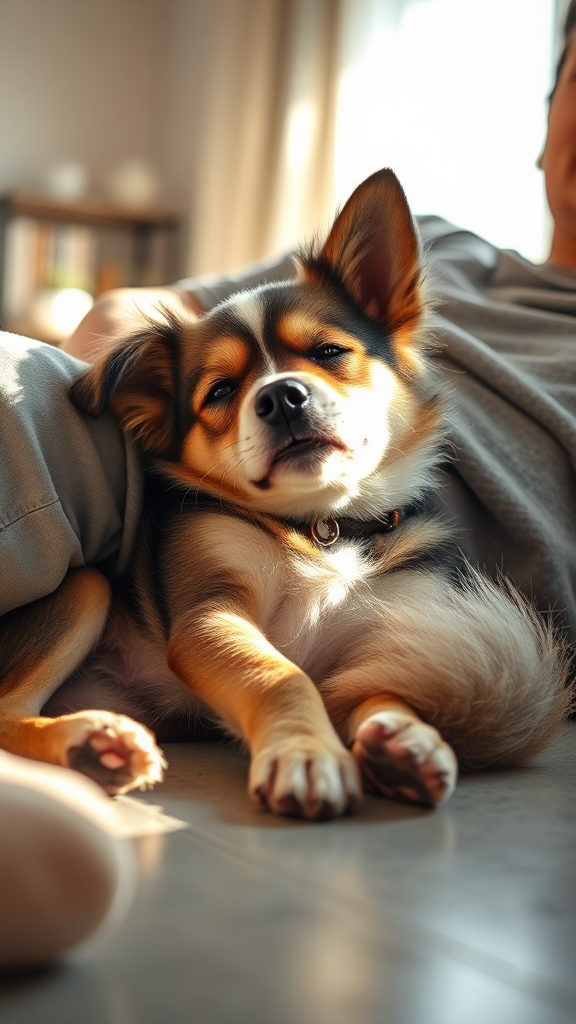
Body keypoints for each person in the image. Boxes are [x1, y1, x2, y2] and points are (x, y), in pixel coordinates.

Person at [0, 0, 575, 967]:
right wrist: (121, 368)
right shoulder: (427, 248)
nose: (283, 391)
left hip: (425, 585)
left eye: (327, 358)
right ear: (546, 115)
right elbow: (154, 311)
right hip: (166, 484)